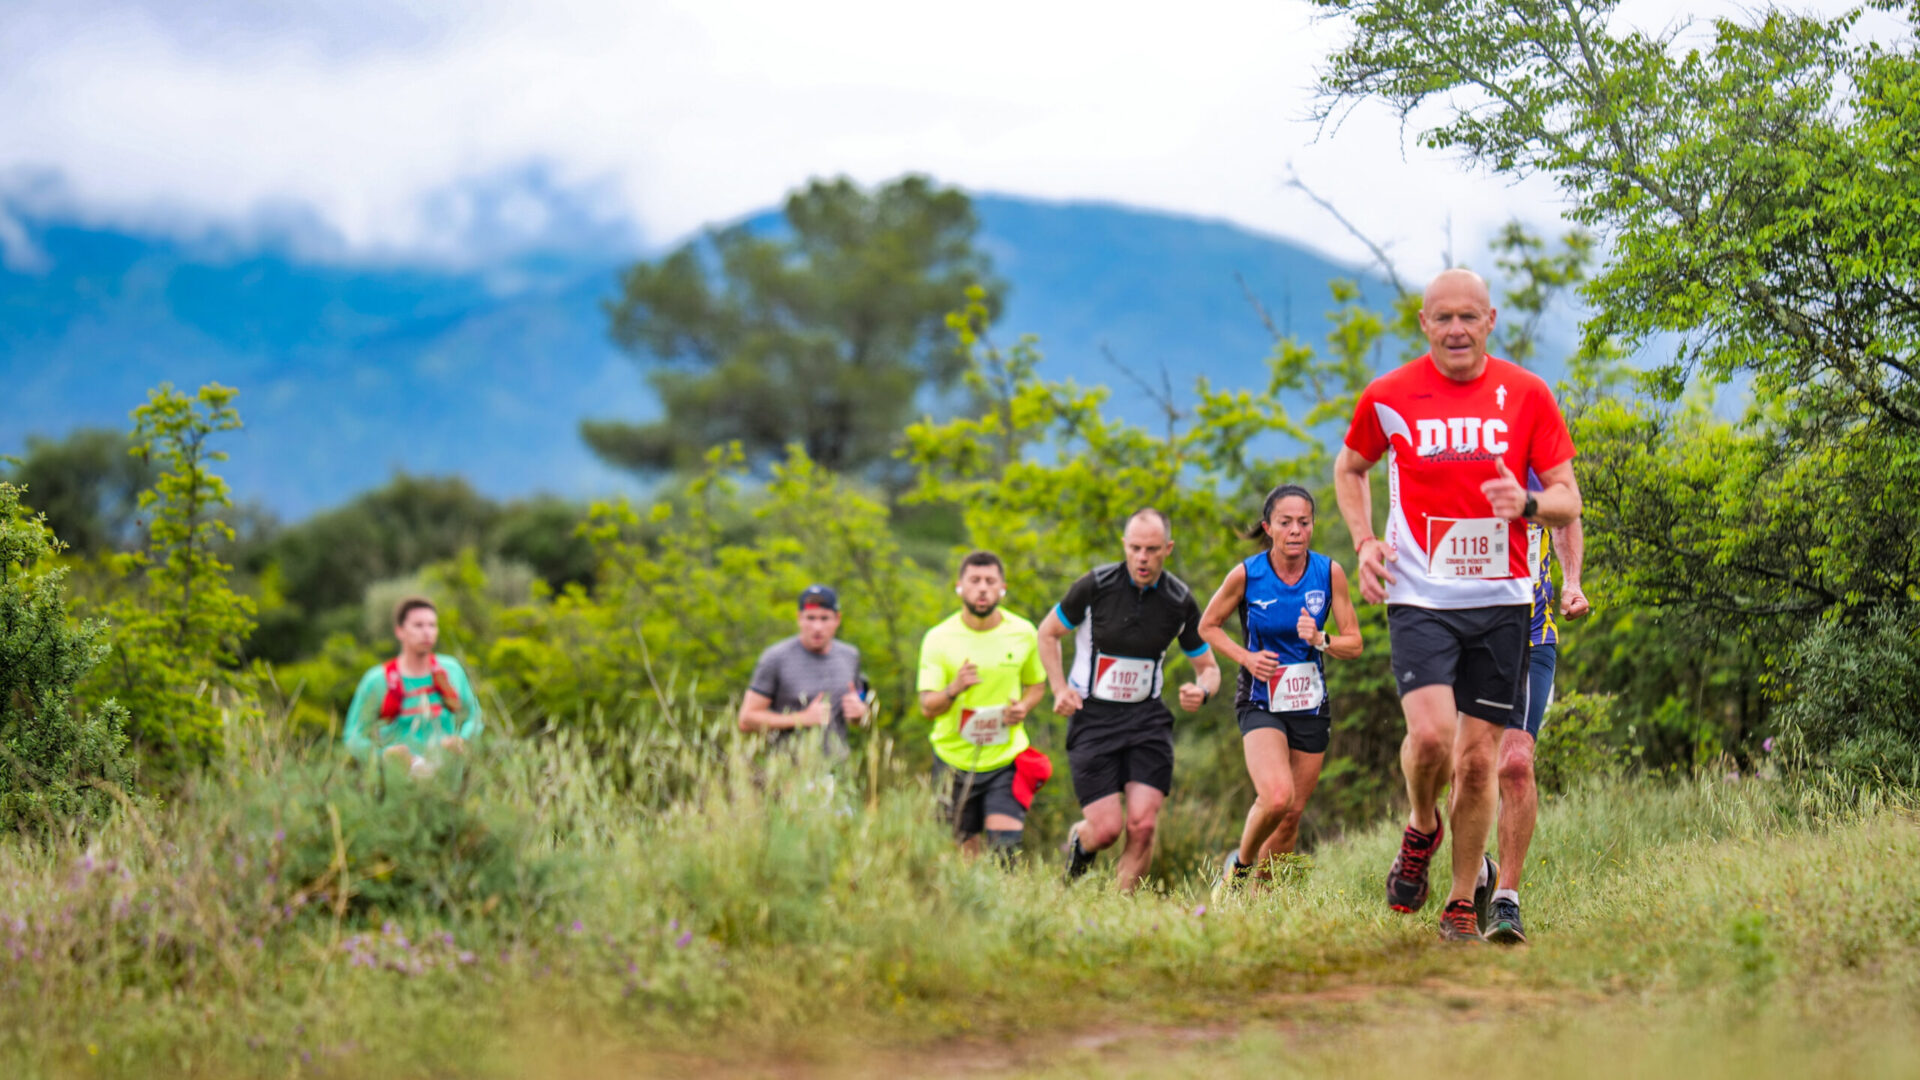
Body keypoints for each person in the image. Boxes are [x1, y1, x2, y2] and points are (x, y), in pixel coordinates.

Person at [1333, 268, 1581, 941]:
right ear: (1424, 324)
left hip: (1502, 600)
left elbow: (1568, 497)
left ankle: (1461, 901)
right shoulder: (1389, 396)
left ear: (1490, 321)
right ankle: (1421, 824)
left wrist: (1527, 504)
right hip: (1420, 593)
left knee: (1478, 763)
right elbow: (1349, 468)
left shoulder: (1528, 395)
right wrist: (1362, 542)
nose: (1456, 330)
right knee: (1433, 737)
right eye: (1443, 318)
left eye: (1469, 317)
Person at [1039, 508, 1221, 891]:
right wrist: (1059, 688)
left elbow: (1209, 667)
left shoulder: (1178, 600)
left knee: (1143, 825)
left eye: (1152, 549)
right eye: (1135, 548)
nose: (1142, 557)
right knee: (1106, 830)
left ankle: (1119, 909)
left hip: (1146, 720)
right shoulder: (1094, 586)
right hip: (1093, 717)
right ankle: (1075, 860)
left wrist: (1201, 690)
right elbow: (1047, 633)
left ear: (1167, 549)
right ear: (1124, 546)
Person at [1199, 484, 1362, 903]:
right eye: (1286, 523)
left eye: (1303, 523)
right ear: (1269, 527)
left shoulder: (1329, 573)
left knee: (1290, 817)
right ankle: (1239, 869)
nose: (1295, 531)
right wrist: (1247, 658)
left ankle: (1266, 902)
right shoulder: (1247, 574)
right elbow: (1208, 626)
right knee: (1275, 796)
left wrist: (1322, 639)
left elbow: (1354, 643)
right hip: (1260, 700)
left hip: (1310, 703)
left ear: (1312, 527)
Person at [1482, 490, 1589, 944]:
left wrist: (1572, 581)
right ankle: (1472, 876)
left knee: (1517, 763)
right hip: (1469, 631)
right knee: (1468, 766)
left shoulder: (1539, 461)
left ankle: (1506, 896)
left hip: (1532, 631)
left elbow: (1565, 515)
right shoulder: (1457, 444)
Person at [917, 551, 1051, 859]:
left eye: (990, 581)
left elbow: (1037, 685)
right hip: (954, 760)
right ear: (959, 587)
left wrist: (1024, 708)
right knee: (962, 859)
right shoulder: (938, 638)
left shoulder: (1024, 632)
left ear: (1002, 587)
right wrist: (954, 688)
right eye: (974, 581)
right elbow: (927, 707)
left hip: (1005, 759)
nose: (982, 588)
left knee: (1005, 851)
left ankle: (1011, 904)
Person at [345, 596, 483, 774]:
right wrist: (383, 755)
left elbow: (474, 716)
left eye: (432, 625)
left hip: (447, 779)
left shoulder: (451, 671)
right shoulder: (377, 680)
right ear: (399, 631)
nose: (427, 632)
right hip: (398, 782)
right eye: (418, 625)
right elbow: (353, 736)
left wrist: (462, 740)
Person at [738, 585, 871, 759]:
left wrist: (860, 714)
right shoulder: (775, 657)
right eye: (810, 618)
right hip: (789, 772)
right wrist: (802, 719)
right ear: (799, 618)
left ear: (837, 619)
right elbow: (746, 720)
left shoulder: (850, 655)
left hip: (837, 770)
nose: (817, 626)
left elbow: (858, 713)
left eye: (824, 618)